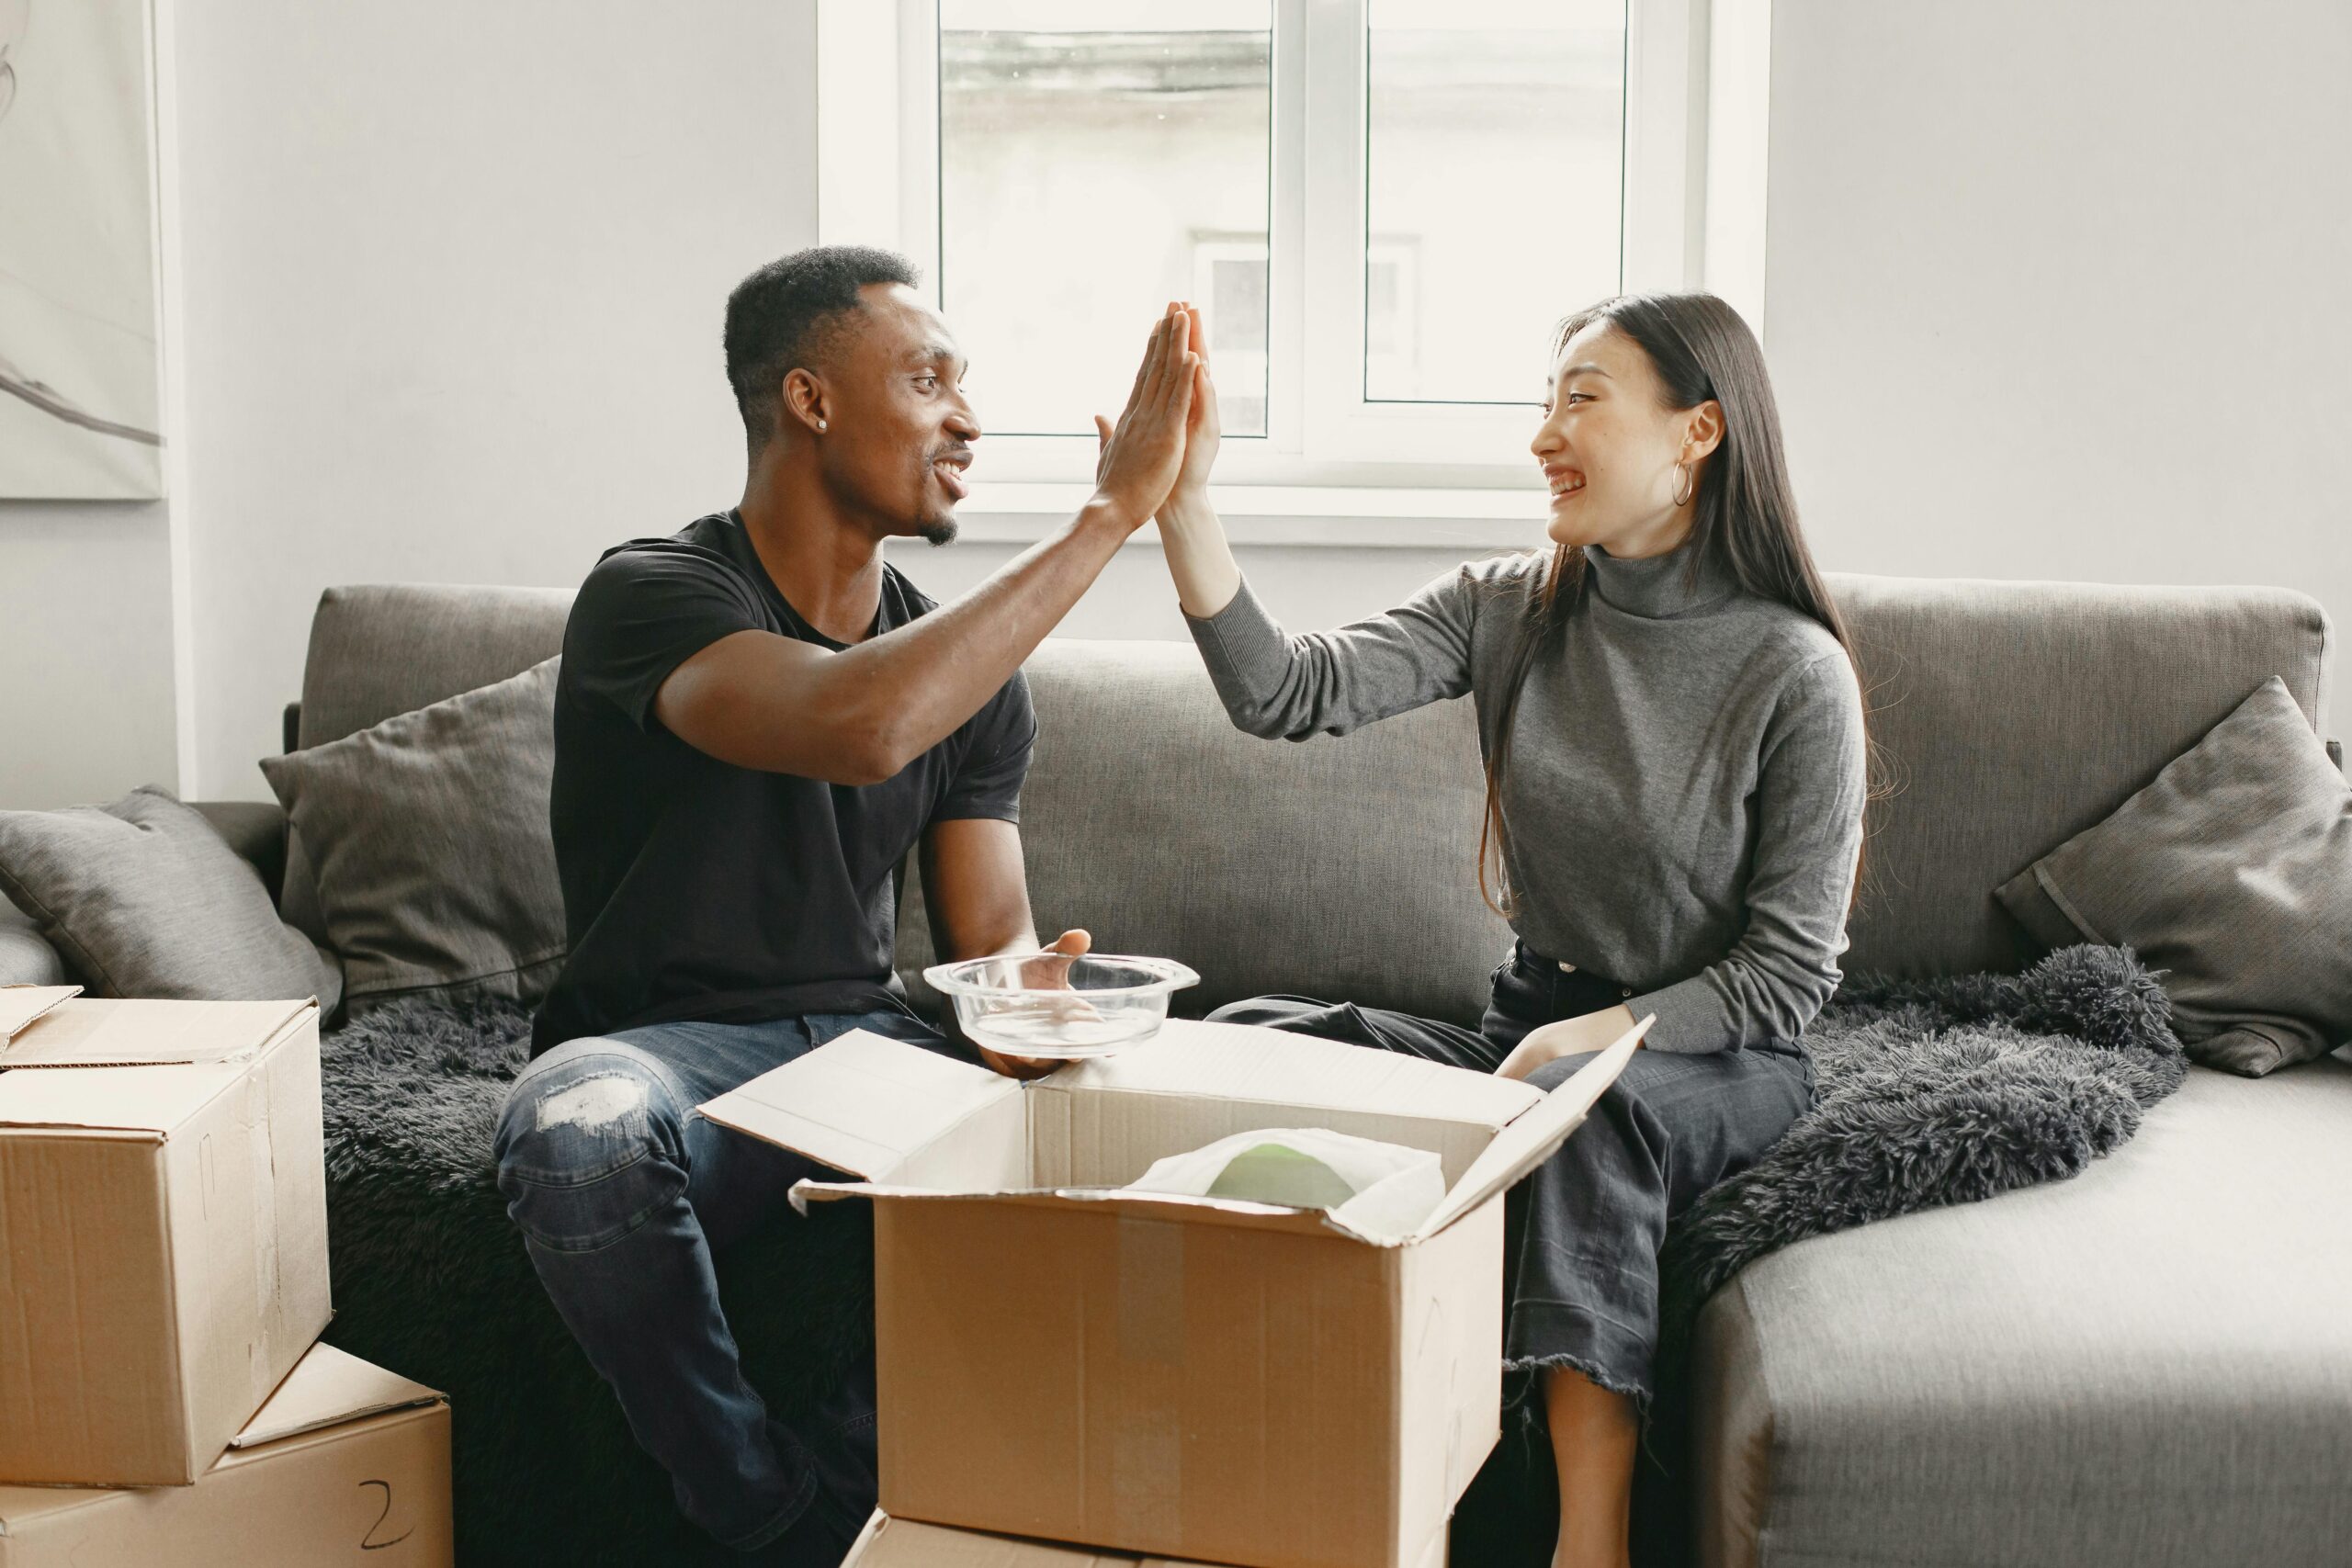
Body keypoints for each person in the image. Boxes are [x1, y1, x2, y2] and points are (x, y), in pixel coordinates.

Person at [492, 246, 1199, 1562]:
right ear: (808, 400)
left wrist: (1033, 1001)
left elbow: (989, 942)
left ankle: (921, 1489)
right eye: (928, 379)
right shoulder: (653, 596)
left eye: (965, 385)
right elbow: (854, 721)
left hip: (869, 1054)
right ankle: (775, 1520)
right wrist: (1106, 518)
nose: (968, 419)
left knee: (1184, 1086)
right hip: (676, 1059)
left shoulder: (978, 673)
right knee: (576, 1134)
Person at [1147, 292, 1868, 1568]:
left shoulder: (1794, 672)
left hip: (1717, 1063)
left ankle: (1590, 1539)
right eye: (1548, 399)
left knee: (1592, 1114)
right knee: (1257, 1041)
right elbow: (1284, 693)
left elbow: (1789, 973)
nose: (1544, 433)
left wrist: (1610, 1037)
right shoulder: (1507, 608)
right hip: (1529, 1030)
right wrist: (1181, 502)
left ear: (1700, 430)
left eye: (1581, 398)